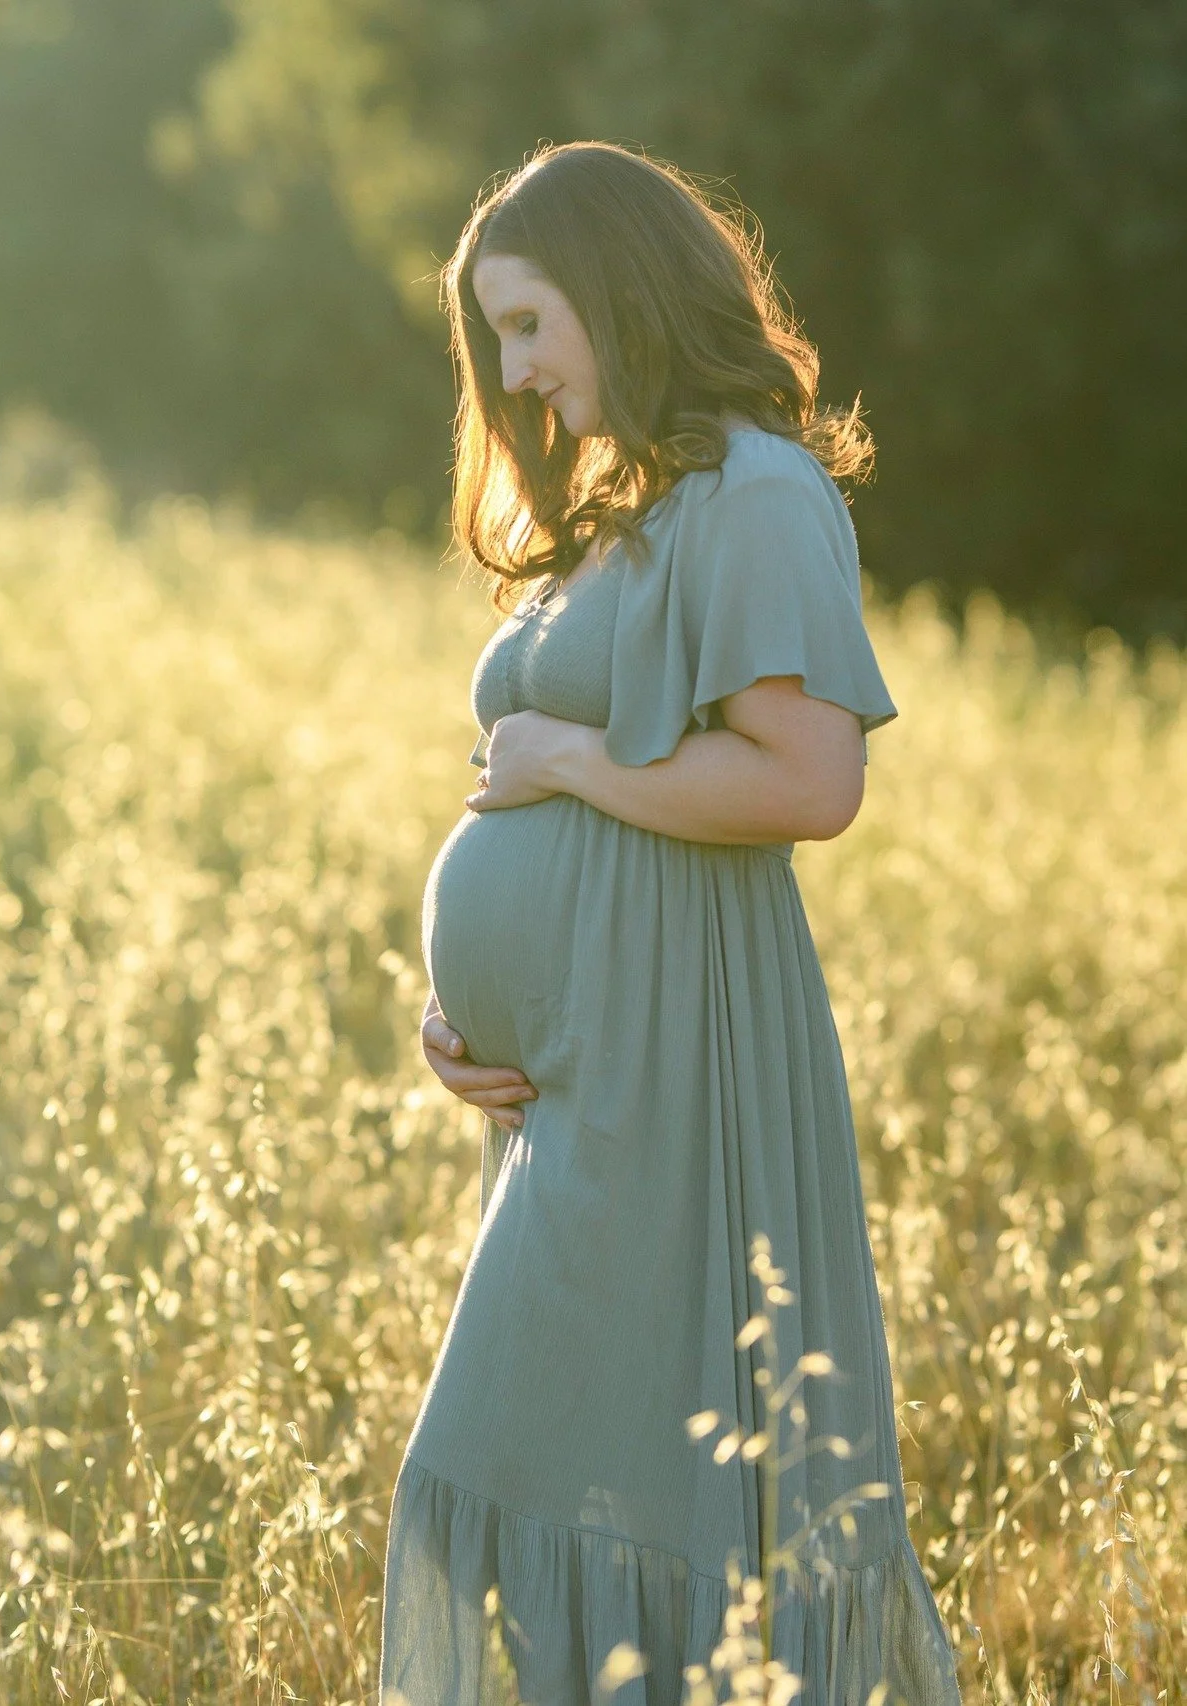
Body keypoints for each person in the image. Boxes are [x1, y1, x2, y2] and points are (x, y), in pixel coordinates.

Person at [378, 141, 962, 1706]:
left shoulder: (759, 491)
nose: (515, 372)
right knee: (570, 1477)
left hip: (681, 1068)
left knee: (570, 1474)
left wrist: (567, 759)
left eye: (528, 323)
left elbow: (812, 777)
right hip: (581, 1082)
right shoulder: (632, 501)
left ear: (620, 290)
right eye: (496, 337)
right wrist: (468, 1021)